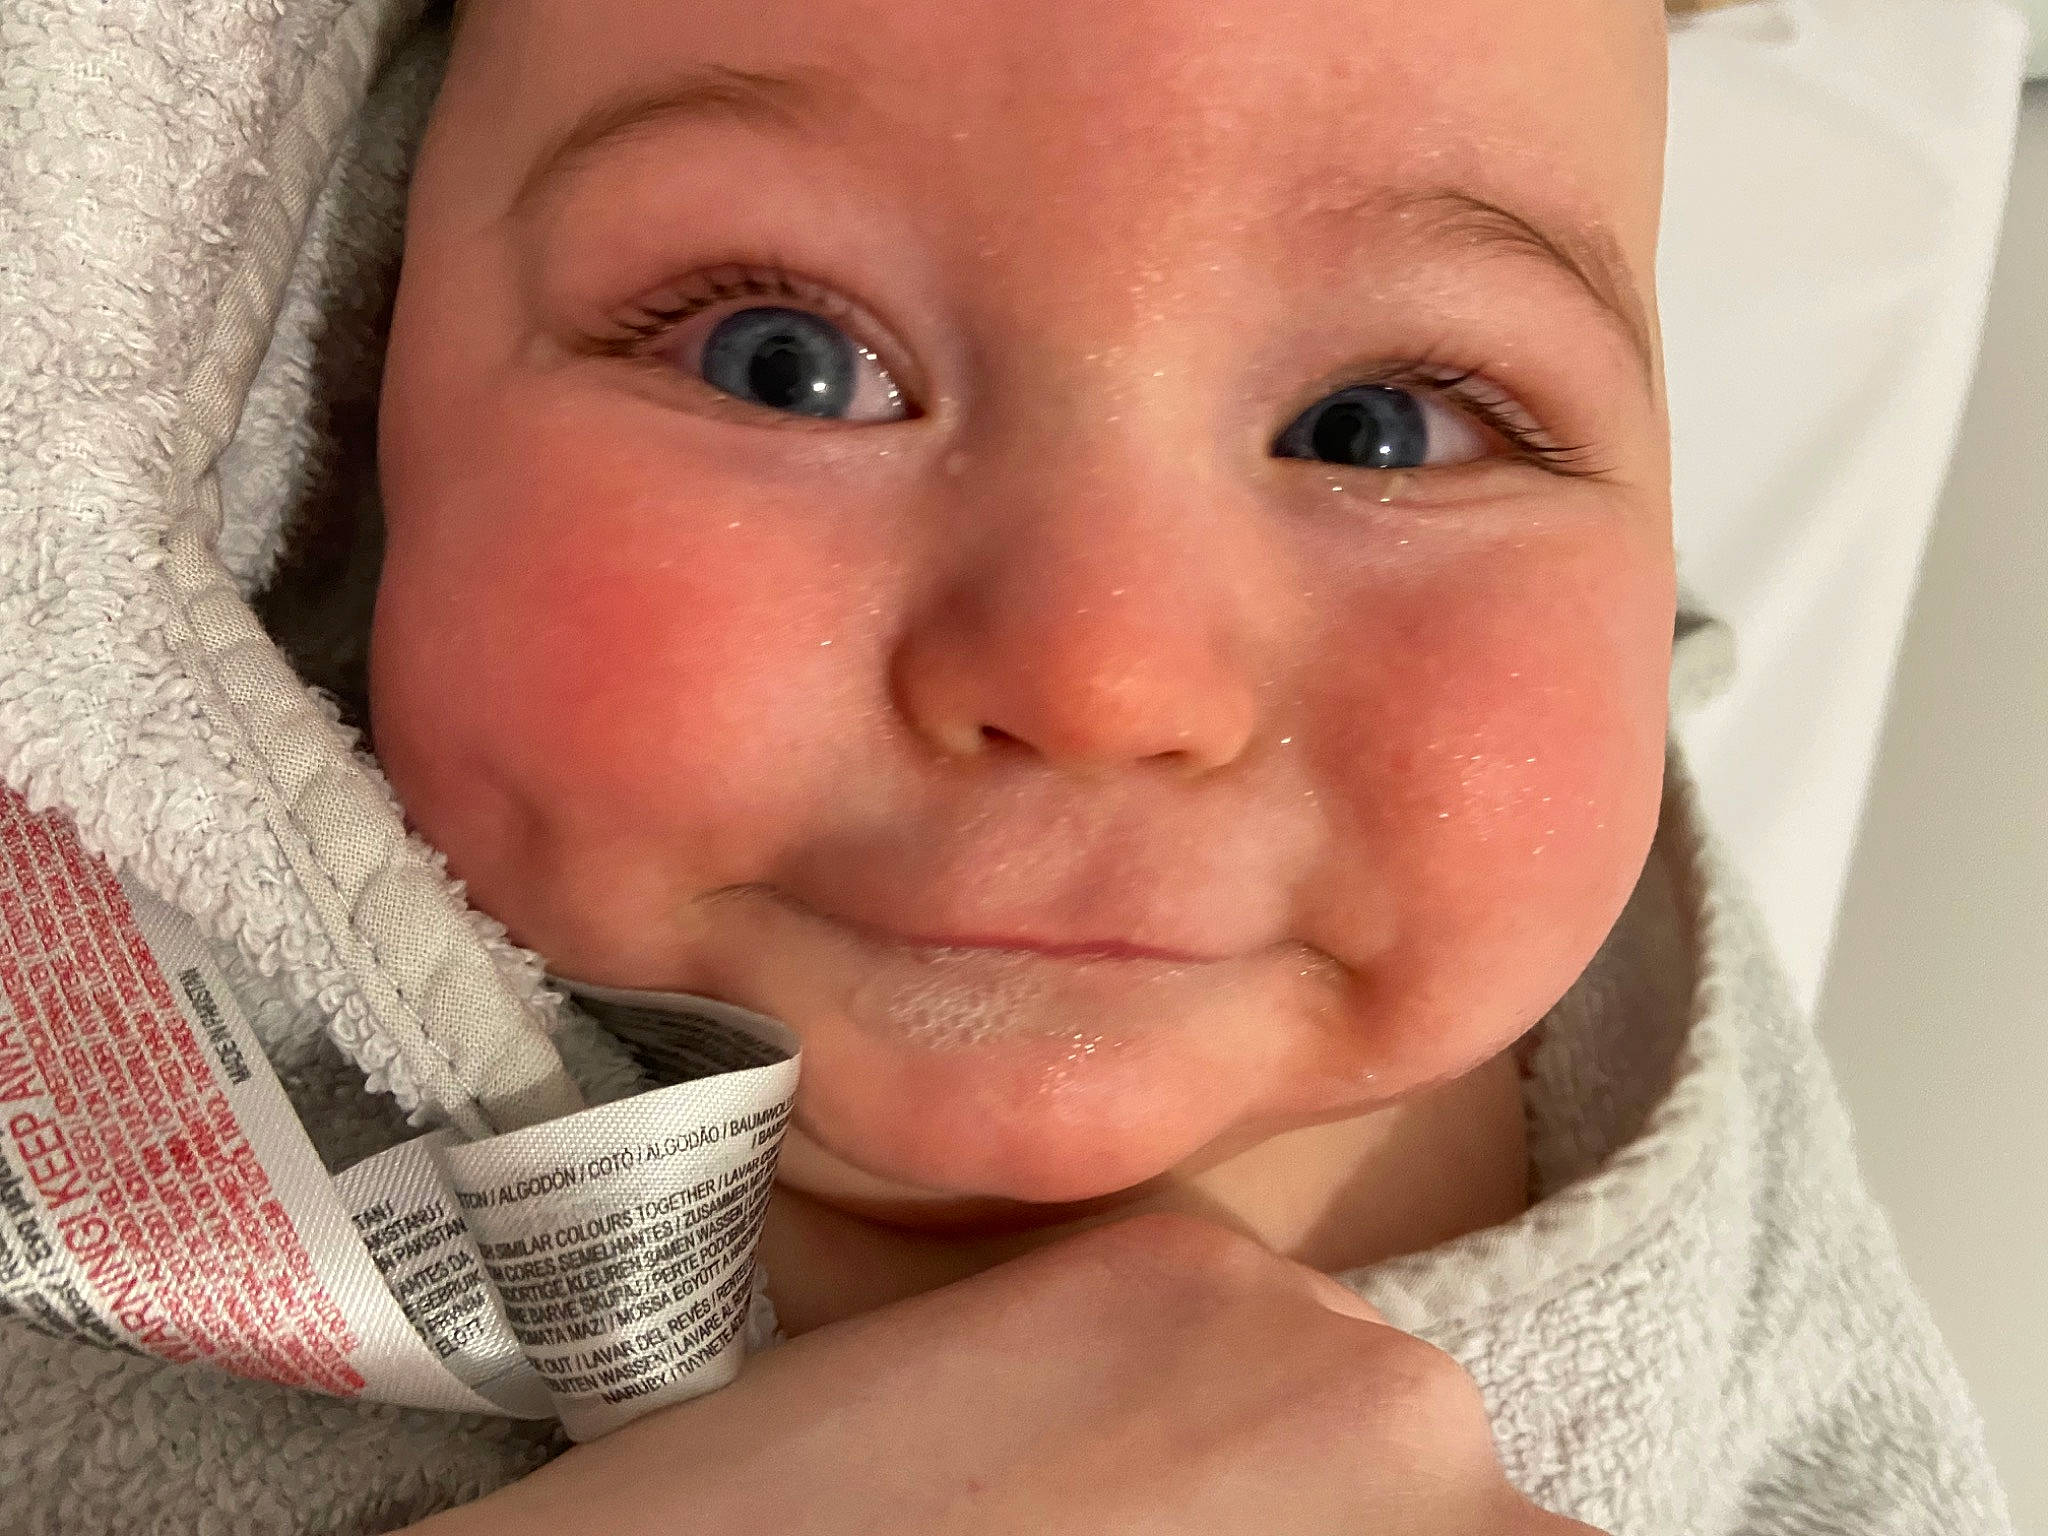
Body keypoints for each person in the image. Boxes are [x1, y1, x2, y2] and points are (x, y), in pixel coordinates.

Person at [0, 0, 2012, 1531]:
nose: (1102, 674)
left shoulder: (1657, 1091)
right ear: (370, 360)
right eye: (782, 361)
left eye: (1387, 424)